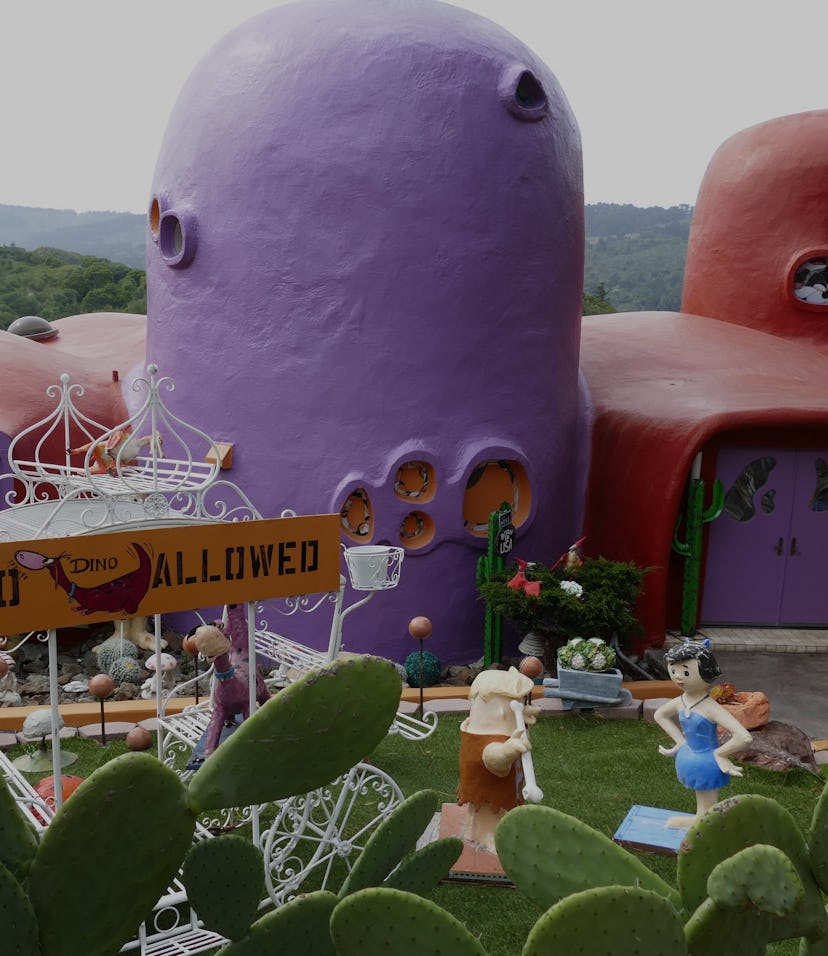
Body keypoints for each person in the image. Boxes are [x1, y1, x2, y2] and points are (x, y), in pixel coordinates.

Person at [655, 639, 752, 828]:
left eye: (685, 672)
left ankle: (704, 828)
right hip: (688, 757)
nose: (678, 677)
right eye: (673, 671)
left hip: (707, 762)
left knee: (707, 804)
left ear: (706, 672)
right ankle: (700, 822)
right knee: (703, 803)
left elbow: (744, 737)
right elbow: (660, 715)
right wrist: (680, 742)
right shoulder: (681, 700)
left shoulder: (709, 707)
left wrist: (720, 753)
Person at [457, 667, 540, 852]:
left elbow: (513, 724)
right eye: (516, 703)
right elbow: (493, 758)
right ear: (502, 712)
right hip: (489, 799)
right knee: (489, 818)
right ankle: (487, 839)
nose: (520, 706)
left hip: (508, 794)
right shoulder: (483, 742)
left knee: (505, 813)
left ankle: (503, 830)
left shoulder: (492, 729)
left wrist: (524, 716)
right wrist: (508, 751)